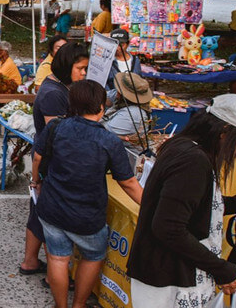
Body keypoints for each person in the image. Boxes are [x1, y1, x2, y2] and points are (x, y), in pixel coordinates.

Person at [127, 94, 236, 307]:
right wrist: (221, 269)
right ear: (225, 132)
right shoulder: (193, 160)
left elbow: (197, 206)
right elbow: (168, 227)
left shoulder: (187, 148)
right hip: (169, 277)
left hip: (171, 272)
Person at [33, 80, 142, 308]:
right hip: (87, 216)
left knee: (57, 258)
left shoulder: (57, 127)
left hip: (52, 206)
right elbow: (129, 183)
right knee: (92, 257)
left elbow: (37, 157)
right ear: (102, 107)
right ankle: (79, 305)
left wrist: (35, 182)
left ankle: (61, 305)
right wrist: (150, 206)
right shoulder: (109, 140)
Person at [20, 42, 89, 282]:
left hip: (47, 156)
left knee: (39, 211)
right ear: (66, 66)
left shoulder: (60, 88)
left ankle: (30, 262)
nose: (83, 73)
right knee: (50, 215)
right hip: (51, 159)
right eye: (80, 68)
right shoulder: (53, 94)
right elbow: (57, 134)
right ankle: (54, 274)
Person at [103, 72, 153, 157]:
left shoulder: (133, 114)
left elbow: (102, 132)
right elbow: (105, 96)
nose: (117, 93)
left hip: (127, 156)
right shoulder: (121, 98)